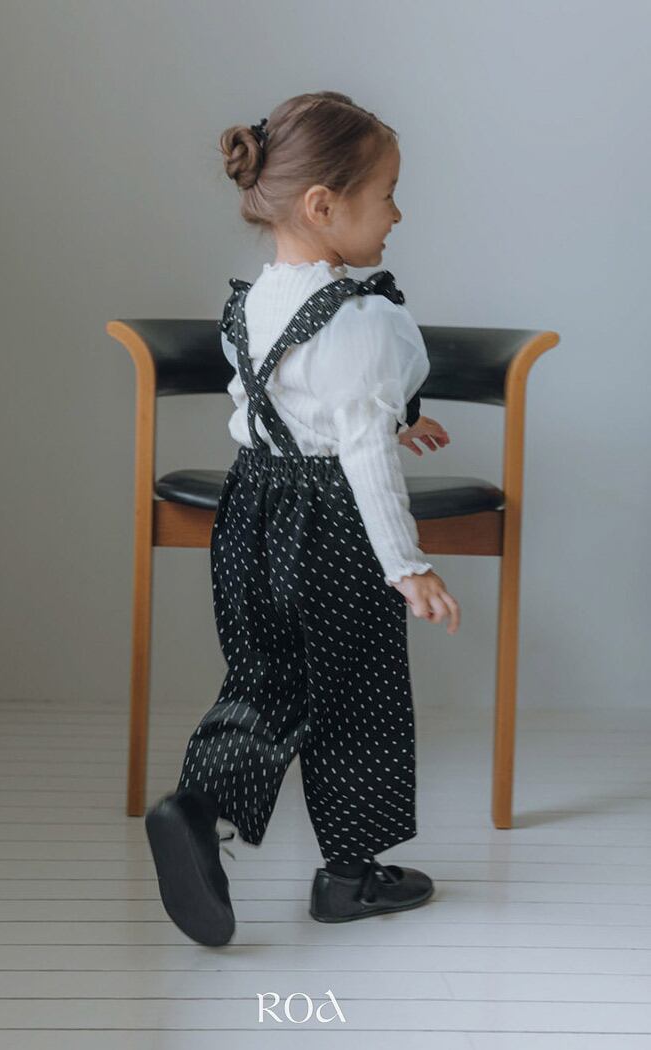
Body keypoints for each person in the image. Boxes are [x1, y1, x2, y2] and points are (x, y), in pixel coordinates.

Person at [145, 91, 461, 947]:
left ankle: (197, 804)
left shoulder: (257, 302)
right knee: (357, 692)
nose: (398, 213)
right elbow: (360, 455)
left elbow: (291, 402)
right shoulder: (359, 320)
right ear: (323, 205)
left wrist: (393, 419)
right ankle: (349, 877)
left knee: (268, 674)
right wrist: (407, 564)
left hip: (252, 508)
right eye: (387, 194)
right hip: (331, 522)